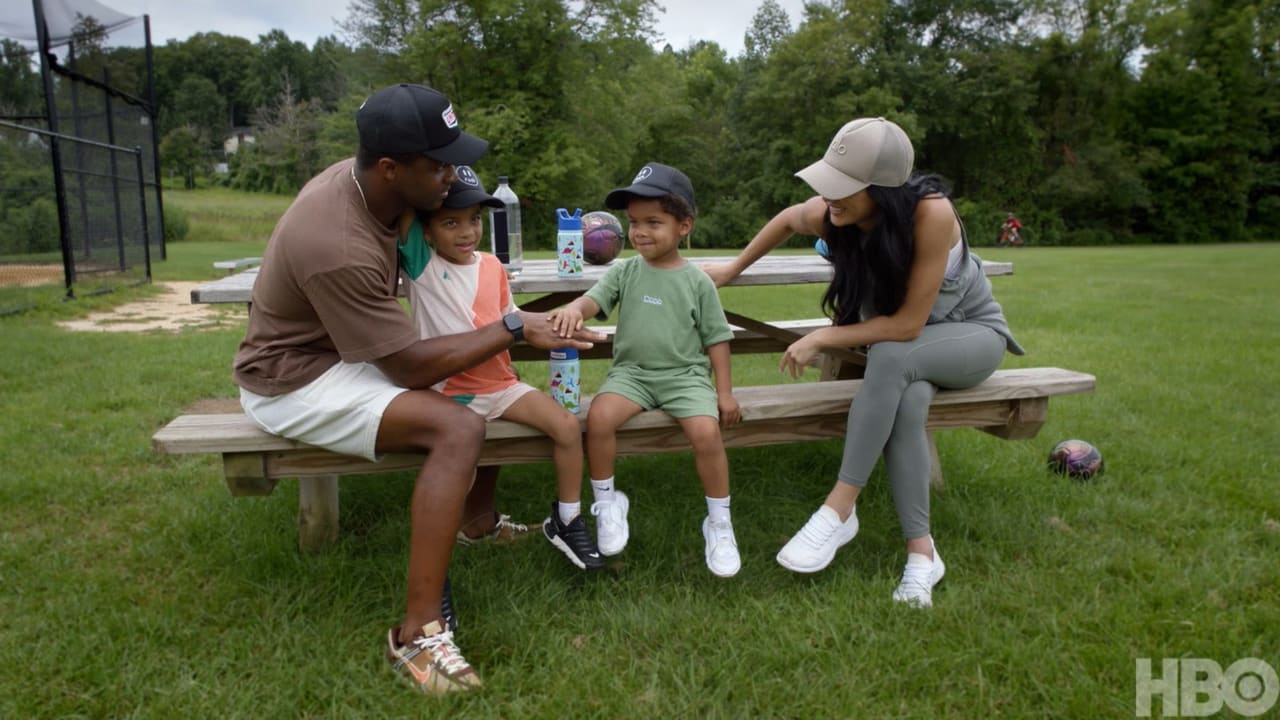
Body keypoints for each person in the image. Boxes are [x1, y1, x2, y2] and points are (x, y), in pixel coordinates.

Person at [232, 83, 603, 695]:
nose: (452, 176)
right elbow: (411, 369)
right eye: (439, 166)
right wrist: (514, 326)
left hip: (343, 353)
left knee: (472, 401)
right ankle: (418, 633)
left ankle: (474, 524)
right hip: (292, 379)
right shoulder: (337, 244)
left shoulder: (373, 187)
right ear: (390, 168)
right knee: (457, 425)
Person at [704, 118, 1024, 606]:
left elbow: (907, 327)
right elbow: (788, 218)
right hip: (911, 356)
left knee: (892, 355)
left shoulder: (932, 215)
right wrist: (731, 269)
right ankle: (922, 555)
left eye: (843, 186)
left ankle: (839, 508)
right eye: (828, 181)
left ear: (883, 189)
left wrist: (824, 336)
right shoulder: (836, 213)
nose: (829, 197)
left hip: (972, 338)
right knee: (908, 404)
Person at [396, 166, 604, 571]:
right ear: (426, 231)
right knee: (459, 472)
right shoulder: (421, 266)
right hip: (448, 394)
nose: (466, 232)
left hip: (501, 386)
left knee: (566, 426)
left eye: (474, 219)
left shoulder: (493, 265)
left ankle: (567, 521)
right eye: (450, 222)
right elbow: (404, 200)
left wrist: (556, 328)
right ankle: (439, 554)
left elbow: (510, 321)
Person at [550, 162, 744, 578]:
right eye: (634, 222)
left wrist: (725, 393)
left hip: (685, 377)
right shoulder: (625, 270)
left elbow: (717, 339)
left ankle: (719, 522)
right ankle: (608, 503)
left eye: (653, 222)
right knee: (599, 418)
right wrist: (574, 308)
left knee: (706, 433)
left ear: (684, 227)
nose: (639, 232)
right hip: (632, 376)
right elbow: (593, 299)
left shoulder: (698, 281)